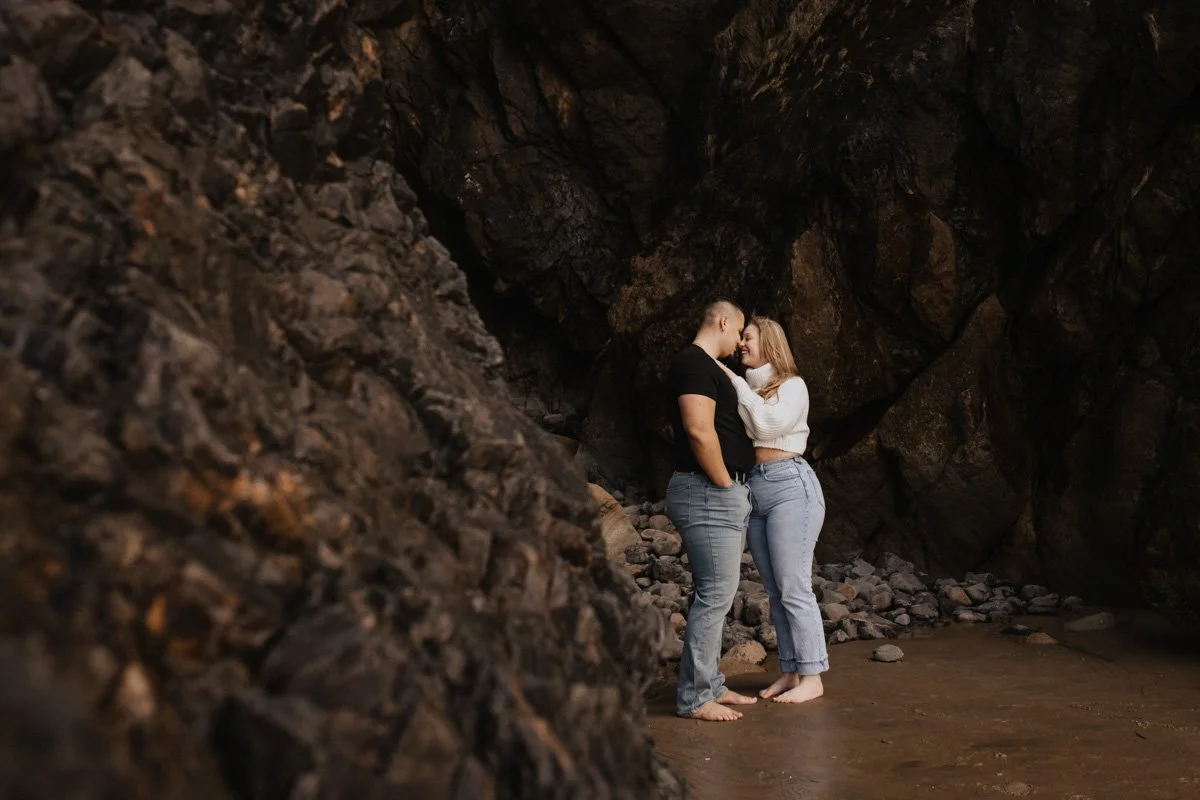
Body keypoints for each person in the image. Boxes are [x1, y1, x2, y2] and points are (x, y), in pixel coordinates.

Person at [715, 316, 828, 704]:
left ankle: (813, 677)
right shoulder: (750, 388)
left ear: (769, 343)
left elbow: (767, 427)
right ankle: (792, 672)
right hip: (755, 488)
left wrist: (734, 382)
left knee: (794, 585)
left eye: (748, 337)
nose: (741, 344)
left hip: (790, 485)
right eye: (741, 337)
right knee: (777, 591)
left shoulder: (792, 385)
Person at [665, 300, 760, 722]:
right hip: (707, 491)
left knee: (717, 594)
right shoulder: (693, 363)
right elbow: (698, 430)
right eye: (739, 331)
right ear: (723, 321)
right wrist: (724, 483)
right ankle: (694, 698)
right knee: (715, 595)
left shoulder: (705, 367)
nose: (739, 342)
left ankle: (710, 685)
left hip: (715, 491)